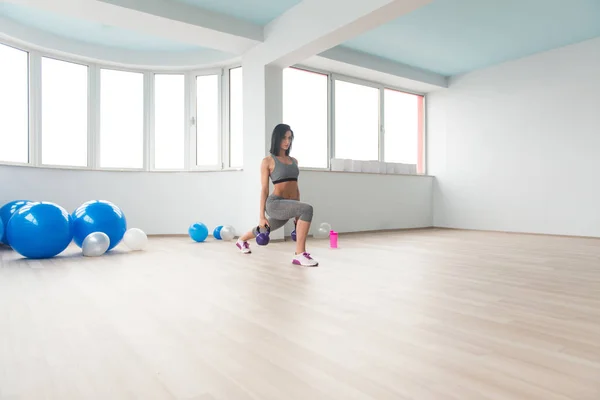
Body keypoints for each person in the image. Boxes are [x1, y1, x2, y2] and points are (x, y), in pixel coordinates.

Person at [235, 123, 318, 267]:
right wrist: (261, 216)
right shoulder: (268, 161)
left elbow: (295, 188)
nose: (287, 142)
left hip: (288, 204)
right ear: (276, 139)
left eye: (289, 138)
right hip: (275, 203)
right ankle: (299, 254)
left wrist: (297, 212)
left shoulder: (294, 161)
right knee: (308, 209)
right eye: (284, 138)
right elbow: (264, 189)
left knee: (267, 228)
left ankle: (241, 240)